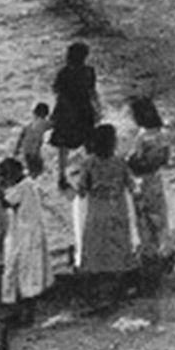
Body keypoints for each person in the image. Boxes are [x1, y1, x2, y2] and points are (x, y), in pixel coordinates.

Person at [73, 124, 138, 293]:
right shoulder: (120, 162)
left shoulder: (88, 163)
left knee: (96, 244)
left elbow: (81, 190)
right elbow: (131, 186)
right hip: (116, 207)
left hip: (96, 209)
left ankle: (96, 280)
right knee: (117, 243)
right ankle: (119, 281)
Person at [0, 156, 52, 323]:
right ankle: (23, 311)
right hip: (28, 232)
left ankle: (22, 312)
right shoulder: (30, 184)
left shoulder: (22, 188)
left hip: (23, 235)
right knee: (26, 273)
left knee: (20, 272)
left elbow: (6, 202)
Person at [50, 42, 101, 192]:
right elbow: (92, 92)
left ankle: (61, 177)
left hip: (66, 111)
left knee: (63, 147)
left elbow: (56, 90)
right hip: (84, 111)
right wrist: (98, 109)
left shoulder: (64, 72)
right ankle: (91, 174)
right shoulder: (89, 72)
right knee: (88, 144)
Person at [126, 96, 171, 257]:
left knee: (144, 218)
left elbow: (134, 160)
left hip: (142, 181)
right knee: (159, 216)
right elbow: (165, 158)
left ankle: (150, 252)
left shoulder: (142, 136)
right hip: (156, 179)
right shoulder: (163, 133)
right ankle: (164, 250)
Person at [13, 101, 51, 179]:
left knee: (31, 165)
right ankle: (32, 177)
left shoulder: (29, 125)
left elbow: (21, 136)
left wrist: (17, 149)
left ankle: (30, 176)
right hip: (34, 150)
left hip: (26, 150)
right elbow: (53, 125)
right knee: (38, 167)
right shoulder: (44, 123)